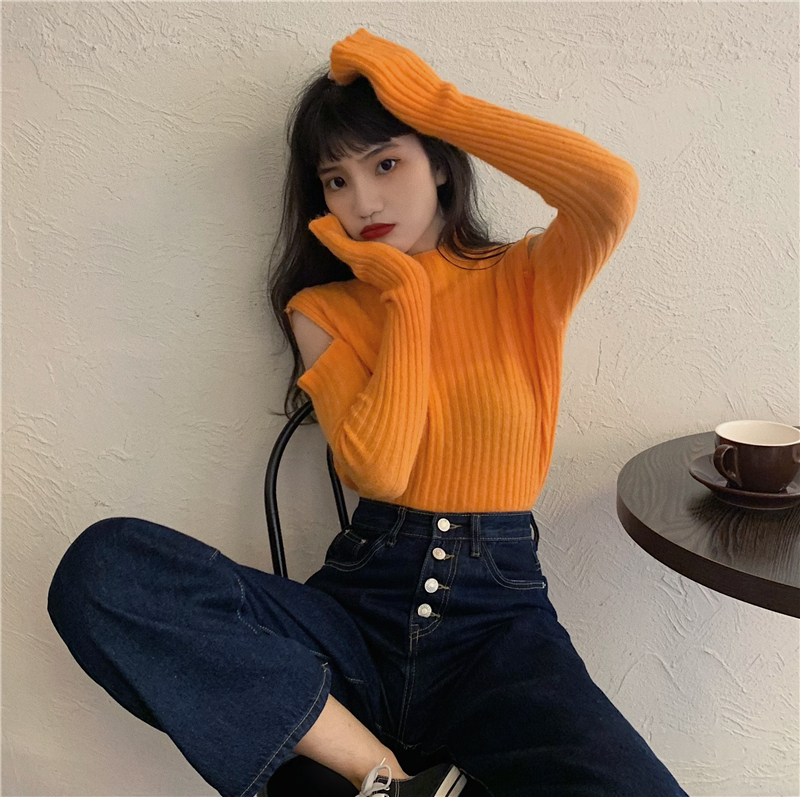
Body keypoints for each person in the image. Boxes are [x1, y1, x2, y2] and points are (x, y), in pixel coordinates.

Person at [47, 27, 690, 797]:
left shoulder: (525, 280)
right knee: (104, 569)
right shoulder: (322, 309)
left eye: (386, 163)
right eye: (336, 180)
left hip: (498, 632)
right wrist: (404, 301)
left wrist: (437, 106)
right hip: (357, 622)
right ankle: (385, 779)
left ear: (440, 163)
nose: (363, 201)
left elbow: (609, 189)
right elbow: (376, 469)